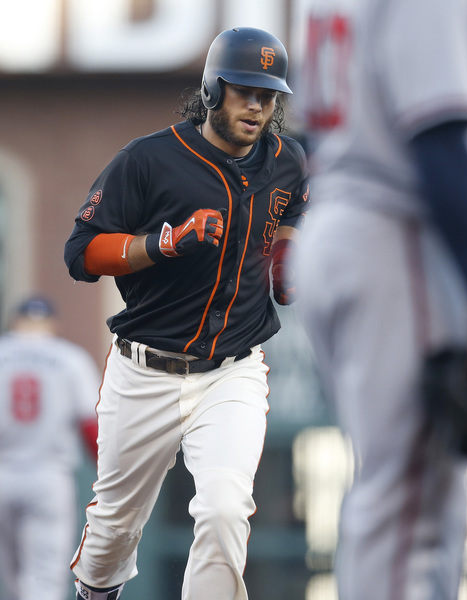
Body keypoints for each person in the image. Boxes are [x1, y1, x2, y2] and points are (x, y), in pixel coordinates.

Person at [293, 2, 467, 600]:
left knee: (408, 491)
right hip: (396, 232)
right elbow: (437, 136)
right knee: (408, 506)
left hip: (344, 223)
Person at [63, 26, 309, 600]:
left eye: (267, 95)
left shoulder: (287, 160)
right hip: (144, 370)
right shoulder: (148, 159)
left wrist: (288, 259)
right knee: (114, 530)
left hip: (232, 371)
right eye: (244, 90)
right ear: (213, 89)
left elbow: (292, 214)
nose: (257, 106)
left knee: (225, 510)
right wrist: (161, 243)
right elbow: (81, 254)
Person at [0, 295, 100, 600]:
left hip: (3, 473)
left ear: (14, 321)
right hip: (49, 477)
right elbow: (91, 427)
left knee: (11, 580)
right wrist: (108, 476)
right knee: (44, 578)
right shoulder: (70, 358)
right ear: (53, 324)